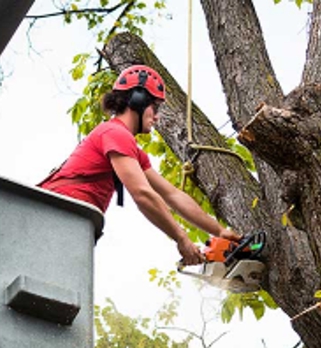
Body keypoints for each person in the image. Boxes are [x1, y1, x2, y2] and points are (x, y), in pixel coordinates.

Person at [39, 64, 240, 265]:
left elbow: (173, 195)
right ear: (138, 100)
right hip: (51, 216)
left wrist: (220, 231)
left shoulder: (129, 149)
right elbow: (142, 194)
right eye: (155, 107)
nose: (157, 116)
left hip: (68, 221)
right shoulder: (115, 133)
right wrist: (181, 238)